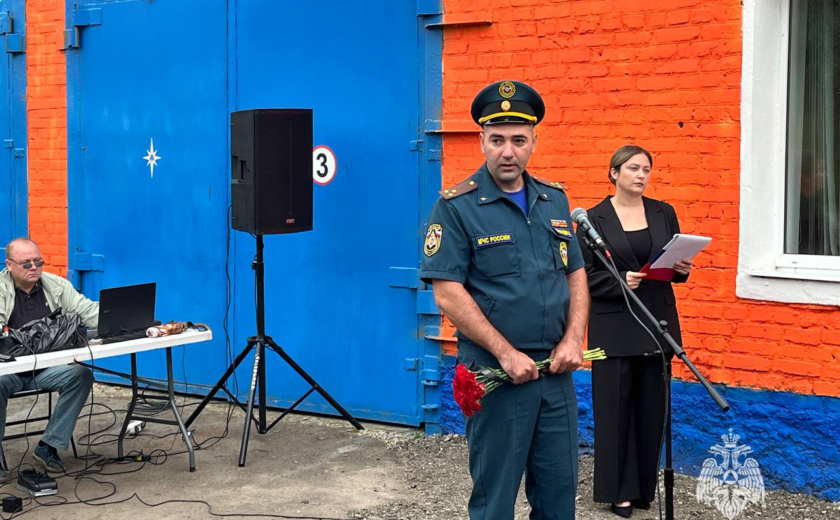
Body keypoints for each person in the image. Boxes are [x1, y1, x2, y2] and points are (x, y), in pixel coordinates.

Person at [420, 80, 589, 520]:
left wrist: (574, 338)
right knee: (495, 499)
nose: (508, 152)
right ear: (482, 141)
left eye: (518, 140)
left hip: (555, 372)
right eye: (497, 140)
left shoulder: (555, 200)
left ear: (534, 141)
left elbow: (575, 273)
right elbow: (447, 292)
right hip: (496, 375)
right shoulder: (456, 207)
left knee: (559, 495)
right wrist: (506, 353)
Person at [577, 146, 692, 518]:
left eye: (646, 169)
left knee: (650, 411)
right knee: (614, 411)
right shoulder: (592, 220)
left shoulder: (663, 212)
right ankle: (618, 492)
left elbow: (671, 265)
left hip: (657, 321)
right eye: (633, 168)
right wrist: (619, 282)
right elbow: (582, 276)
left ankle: (643, 489)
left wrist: (681, 269)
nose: (641, 175)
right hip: (613, 326)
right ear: (614, 173)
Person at [0, 238, 98, 475]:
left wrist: (122, 318)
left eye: (38, 261)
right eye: (26, 263)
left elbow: (87, 311)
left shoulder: (56, 285)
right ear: (9, 265)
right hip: (8, 372)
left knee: (80, 375)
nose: (34, 267)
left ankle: (49, 444)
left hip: (47, 368)